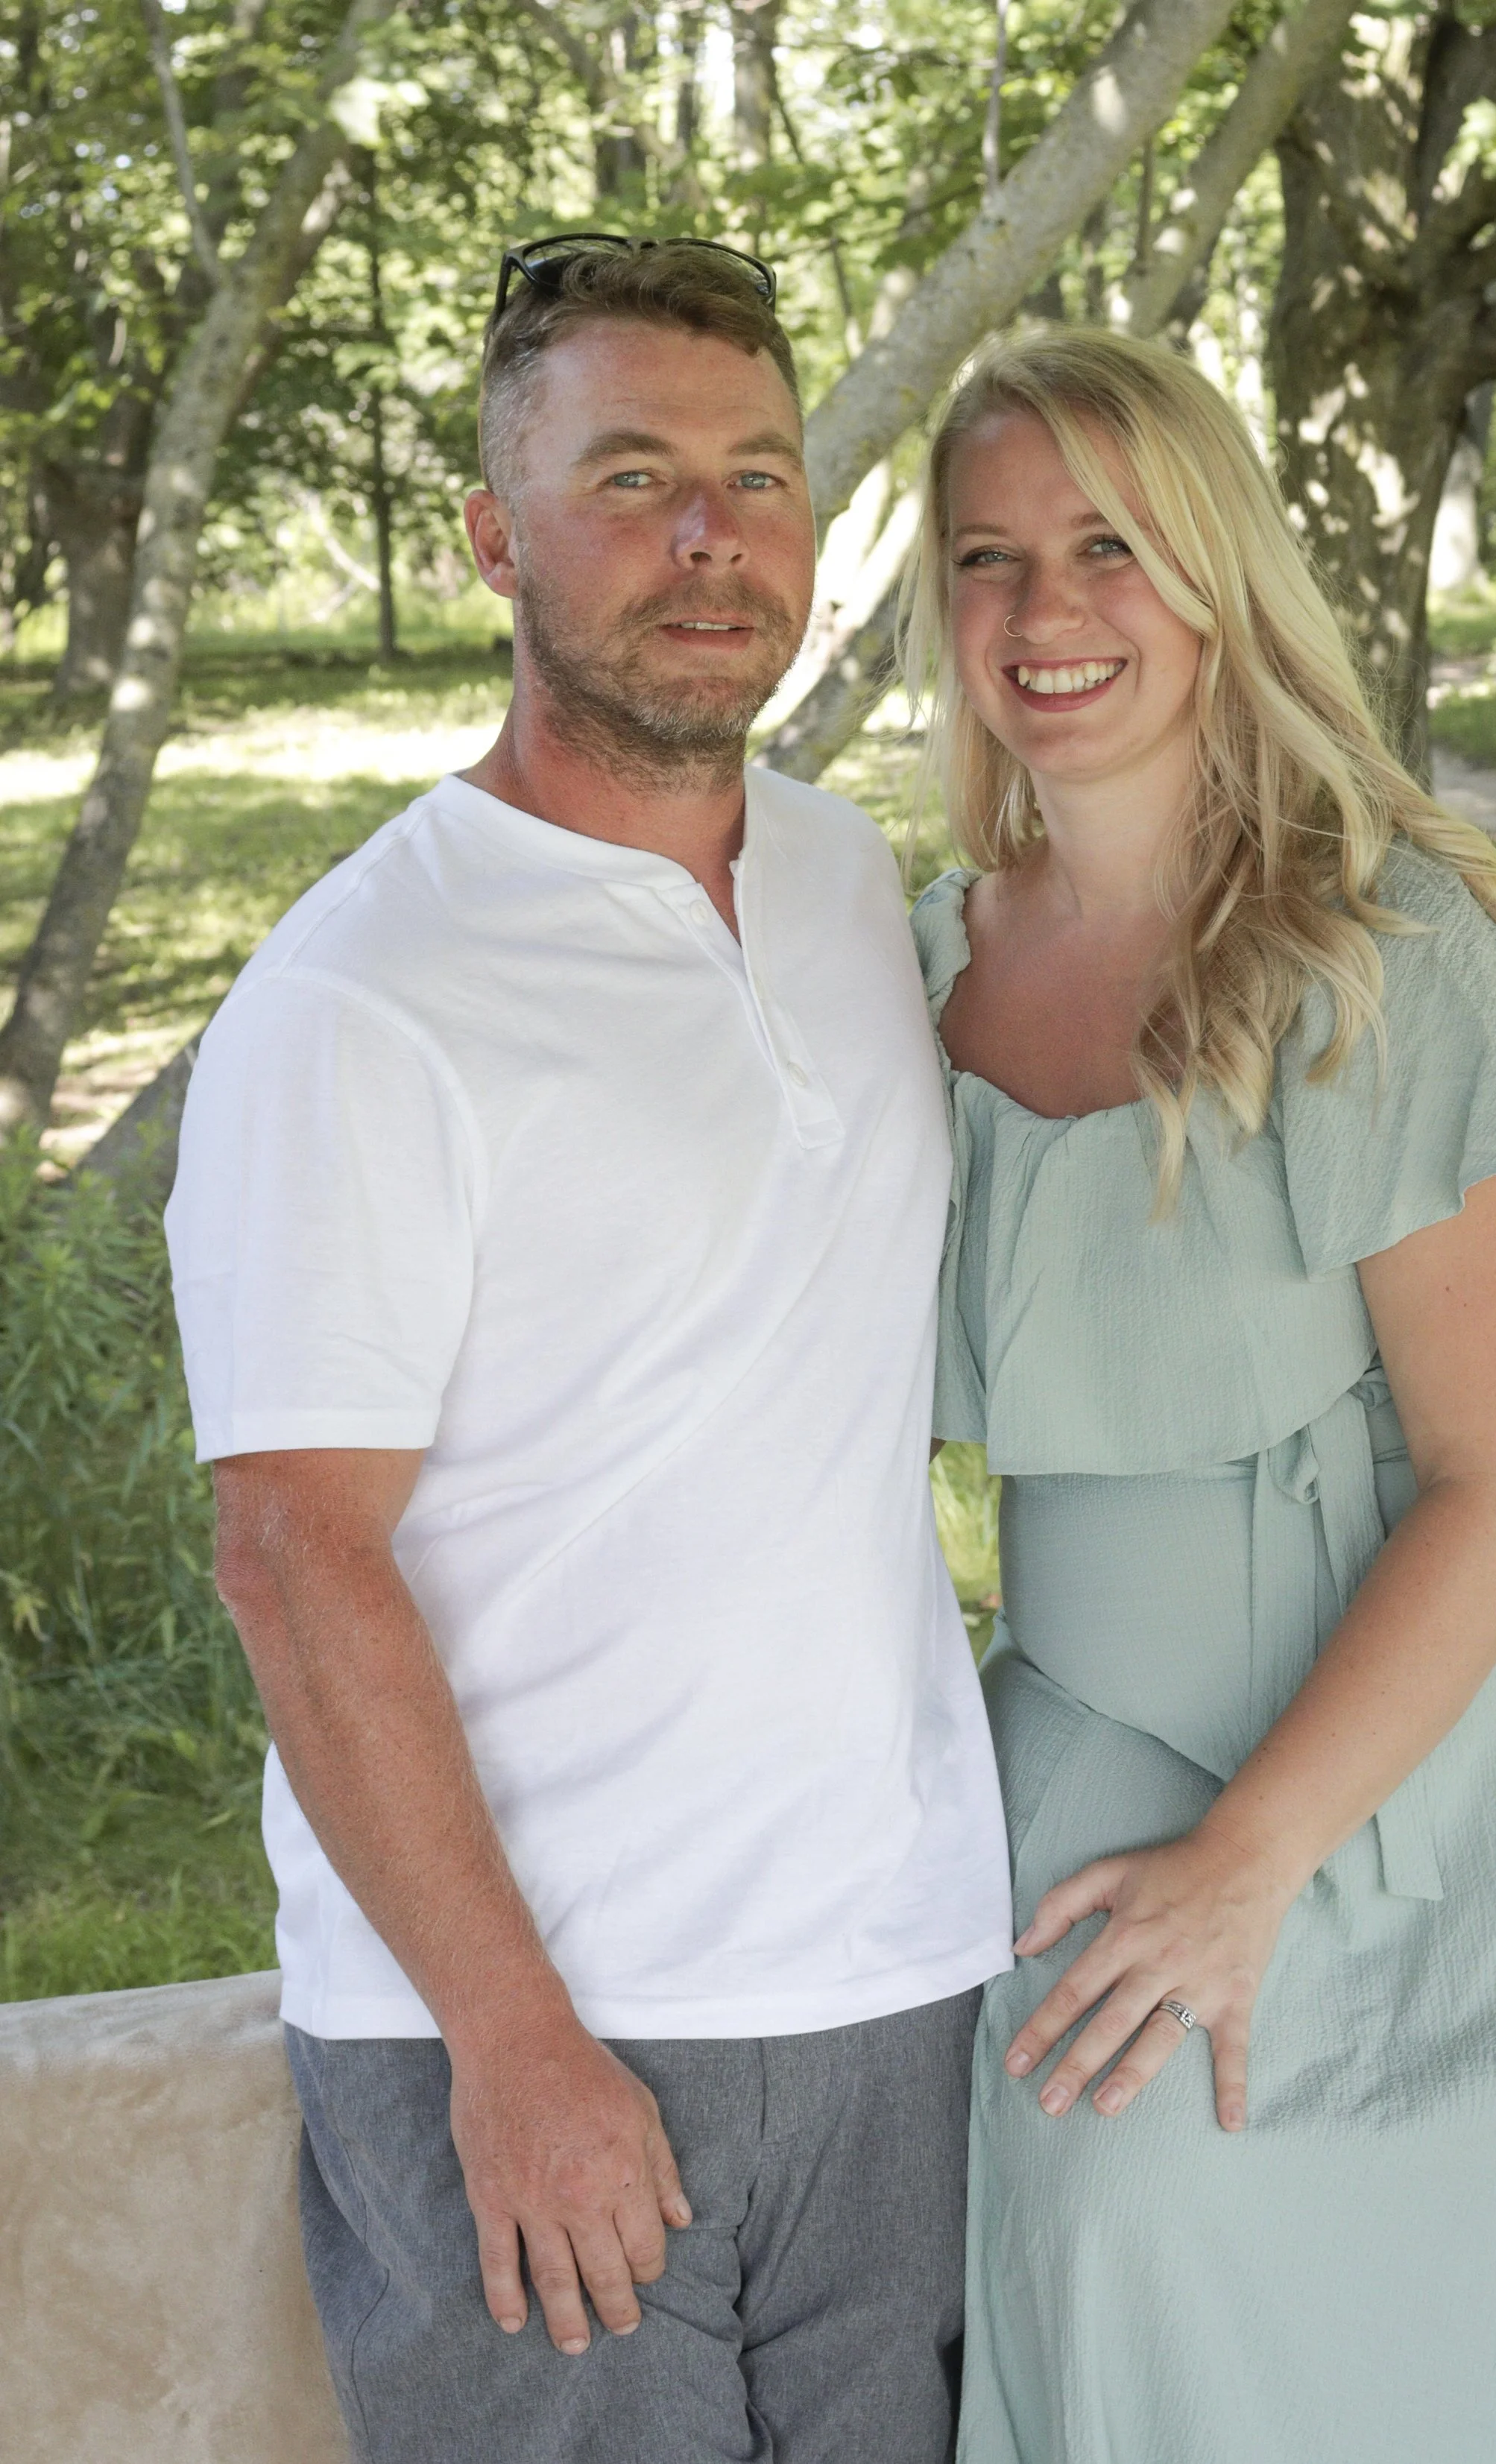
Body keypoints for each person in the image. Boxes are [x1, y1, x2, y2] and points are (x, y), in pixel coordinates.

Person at [902, 329, 1496, 2463]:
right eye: (988, 557)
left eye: (1110, 546)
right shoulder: (912, 961)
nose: (1044, 609)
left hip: (1475, 1737)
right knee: (1111, 2229)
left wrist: (1251, 1861)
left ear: (1218, 574)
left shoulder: (1389, 954)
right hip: (1102, 1701)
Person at [164, 235, 1011, 2464]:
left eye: (759, 476)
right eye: (631, 478)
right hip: (543, 2032)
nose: (711, 536)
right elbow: (292, 1556)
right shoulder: (363, 995)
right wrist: (513, 2046)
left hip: (894, 1976)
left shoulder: (850, 889)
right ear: (492, 538)